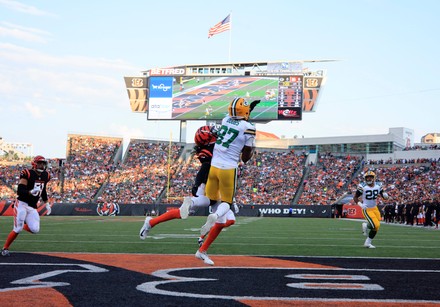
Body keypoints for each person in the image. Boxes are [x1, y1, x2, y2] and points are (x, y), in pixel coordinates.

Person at [195, 97, 260, 265]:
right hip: (228, 168)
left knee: (211, 199)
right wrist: (252, 149)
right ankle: (213, 216)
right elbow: (245, 157)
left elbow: (234, 125)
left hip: (214, 167)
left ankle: (202, 241)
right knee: (227, 203)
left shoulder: (225, 119)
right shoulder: (249, 128)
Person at [139, 125, 218, 239]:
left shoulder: (212, 147)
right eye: (212, 134)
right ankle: (202, 241)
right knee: (220, 211)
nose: (215, 134)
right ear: (207, 140)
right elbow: (205, 168)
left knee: (182, 213)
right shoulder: (207, 152)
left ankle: (151, 223)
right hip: (207, 184)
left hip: (212, 182)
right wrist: (197, 183)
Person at [1, 155, 51, 257]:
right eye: (40, 163)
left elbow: (43, 190)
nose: (42, 165)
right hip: (22, 204)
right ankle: (5, 248)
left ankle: (23, 225)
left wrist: (46, 203)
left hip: (32, 206)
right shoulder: (27, 173)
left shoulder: (46, 175)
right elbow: (20, 191)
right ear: (34, 164)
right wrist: (30, 192)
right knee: (17, 229)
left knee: (35, 229)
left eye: (43, 163)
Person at [353, 170, 389, 249]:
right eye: (367, 177)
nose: (369, 179)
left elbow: (383, 194)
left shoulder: (378, 185)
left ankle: (367, 242)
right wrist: (360, 204)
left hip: (375, 208)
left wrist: (385, 196)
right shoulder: (362, 186)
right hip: (367, 209)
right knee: (376, 225)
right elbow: (355, 197)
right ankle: (366, 226)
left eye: (370, 177)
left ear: (374, 178)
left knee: (376, 227)